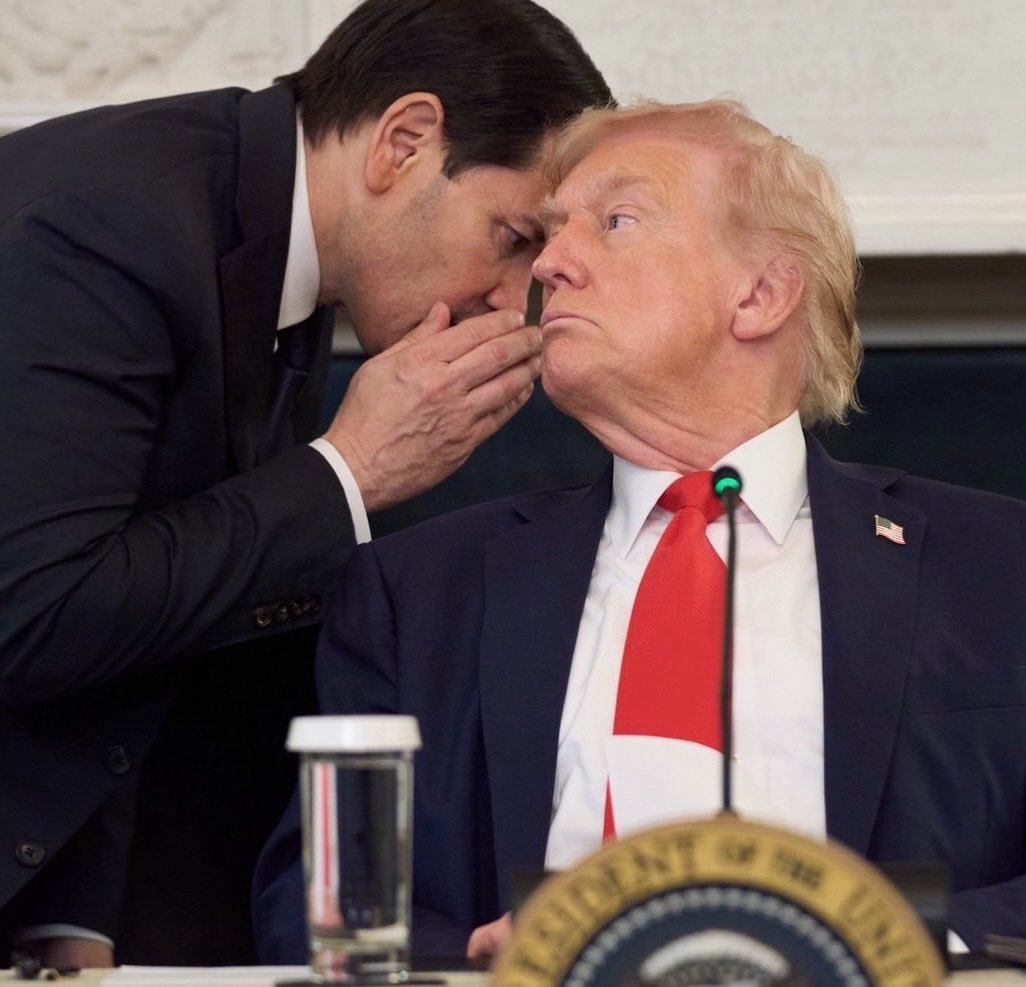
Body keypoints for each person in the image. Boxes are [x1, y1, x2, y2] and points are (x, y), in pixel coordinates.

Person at [252, 99, 1026, 963]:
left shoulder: (997, 565)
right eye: (552, 231)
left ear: (760, 294)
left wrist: (872, 937)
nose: (551, 262)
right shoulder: (418, 588)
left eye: (615, 221)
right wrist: (477, 956)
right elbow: (309, 897)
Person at [0, 0, 611, 967]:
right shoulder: (108, 229)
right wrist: (348, 470)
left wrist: (80, 922)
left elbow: (157, 608)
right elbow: (33, 611)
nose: (511, 298)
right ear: (403, 141)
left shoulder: (284, 245)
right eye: (510, 238)